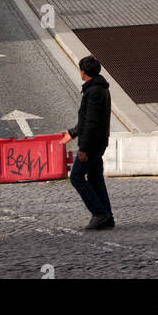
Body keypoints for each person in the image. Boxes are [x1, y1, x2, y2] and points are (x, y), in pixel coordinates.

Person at [60, 55, 113, 229]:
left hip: (92, 144)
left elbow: (91, 123)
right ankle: (107, 216)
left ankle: (99, 213)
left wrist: (83, 148)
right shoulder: (98, 88)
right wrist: (72, 133)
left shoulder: (94, 91)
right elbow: (86, 120)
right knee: (96, 178)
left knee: (76, 177)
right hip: (98, 142)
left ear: (83, 72)